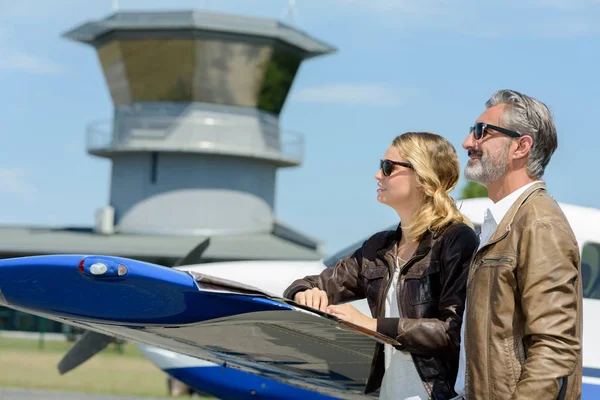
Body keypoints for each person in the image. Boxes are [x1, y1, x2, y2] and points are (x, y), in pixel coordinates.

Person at [283, 132, 479, 399]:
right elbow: (310, 284)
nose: (378, 175)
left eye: (388, 167)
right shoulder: (379, 247)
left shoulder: (457, 239)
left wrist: (372, 324)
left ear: (422, 177)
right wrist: (304, 292)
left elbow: (452, 331)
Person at [453, 89, 583, 399]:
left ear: (521, 146)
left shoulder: (538, 224)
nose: (468, 143)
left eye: (481, 132)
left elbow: (555, 346)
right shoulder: (501, 222)